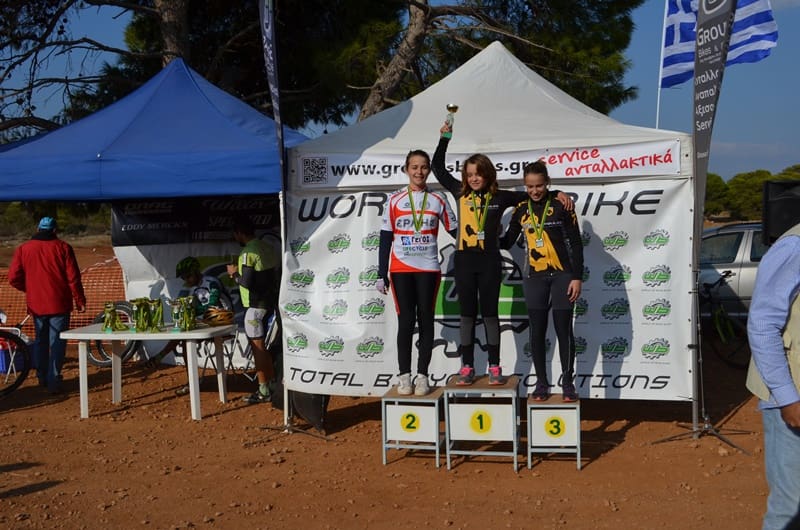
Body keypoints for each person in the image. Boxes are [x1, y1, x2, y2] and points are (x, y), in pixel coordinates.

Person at [432, 122, 572, 386]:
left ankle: (494, 366)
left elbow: (533, 195)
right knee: (466, 314)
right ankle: (467, 366)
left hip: (489, 261)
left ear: (488, 175)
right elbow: (438, 167)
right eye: (470, 174)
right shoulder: (459, 192)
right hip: (464, 261)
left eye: (478, 174)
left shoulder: (500, 197)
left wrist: (555, 192)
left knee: (489, 314)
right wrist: (444, 138)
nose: (474, 178)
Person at [500, 161, 583, 402]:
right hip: (534, 277)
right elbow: (508, 241)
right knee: (537, 331)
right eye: (530, 186)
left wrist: (577, 277)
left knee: (563, 329)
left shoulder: (561, 205)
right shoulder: (521, 209)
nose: (534, 191)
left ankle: (567, 383)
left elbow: (576, 243)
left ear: (547, 183)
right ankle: (542, 383)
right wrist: (485, 238)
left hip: (562, 275)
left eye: (539, 185)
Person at [377, 149, 458, 396]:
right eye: (414, 167)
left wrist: (478, 238)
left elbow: (456, 231)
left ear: (429, 170)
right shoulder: (394, 199)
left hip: (428, 268)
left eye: (423, 167)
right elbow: (385, 238)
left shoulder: (438, 199)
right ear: (406, 169)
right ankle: (404, 376)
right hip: (401, 268)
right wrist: (381, 272)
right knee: (405, 322)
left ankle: (422, 376)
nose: (419, 172)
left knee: (426, 320)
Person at [745, 221, 800, 530]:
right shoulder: (794, 246)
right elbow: (763, 324)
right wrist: (788, 399)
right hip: (794, 396)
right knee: (791, 507)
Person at [8, 216, 86, 394]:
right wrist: (80, 299)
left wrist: (29, 288)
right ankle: (54, 381)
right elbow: (73, 278)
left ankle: (42, 377)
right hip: (59, 303)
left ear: (38, 229)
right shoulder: (63, 247)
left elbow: (13, 277)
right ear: (55, 230)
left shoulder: (24, 248)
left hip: (36, 304)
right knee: (57, 342)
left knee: (40, 341)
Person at [142, 256, 233, 396]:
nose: (187, 280)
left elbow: (213, 304)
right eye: (184, 278)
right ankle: (192, 380)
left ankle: (160, 356)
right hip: (210, 322)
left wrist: (192, 312)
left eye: (188, 276)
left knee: (186, 332)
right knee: (184, 336)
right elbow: (198, 309)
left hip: (224, 321)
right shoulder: (196, 289)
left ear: (196, 272)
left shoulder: (212, 282)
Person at [227, 216, 280, 405]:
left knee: (258, 349)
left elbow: (246, 282)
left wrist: (234, 274)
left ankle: (263, 390)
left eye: (235, 235)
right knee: (263, 348)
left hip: (255, 307)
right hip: (269, 303)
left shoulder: (247, 253)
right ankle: (272, 385)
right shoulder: (267, 247)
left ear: (239, 233)